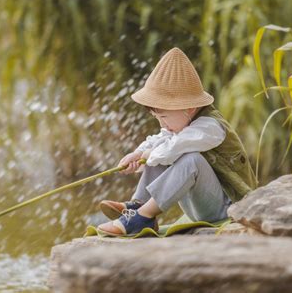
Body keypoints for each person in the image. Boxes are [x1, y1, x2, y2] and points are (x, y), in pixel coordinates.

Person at [96, 47, 257, 237]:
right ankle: (138, 205)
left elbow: (173, 147)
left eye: (164, 116)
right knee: (161, 150)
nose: (161, 123)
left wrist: (149, 155)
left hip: (229, 209)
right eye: (157, 118)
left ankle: (143, 216)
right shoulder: (183, 124)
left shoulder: (210, 128)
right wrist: (138, 154)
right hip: (201, 206)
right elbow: (162, 140)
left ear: (189, 108)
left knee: (190, 159)